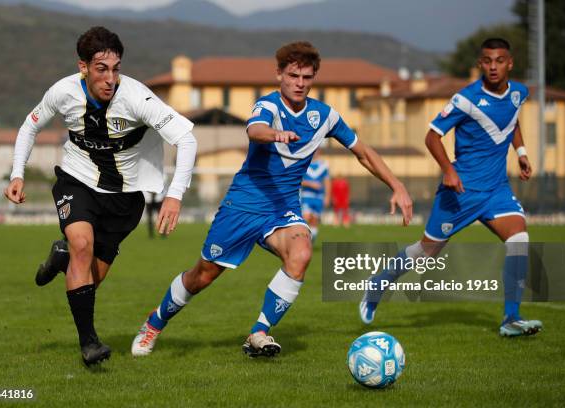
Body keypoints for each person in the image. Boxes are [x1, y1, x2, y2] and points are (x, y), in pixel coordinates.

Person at [131, 41, 413, 358]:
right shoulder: (268, 107)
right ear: (279, 73)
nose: (300, 83)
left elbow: (363, 152)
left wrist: (397, 185)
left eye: (306, 77)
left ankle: (259, 333)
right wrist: (275, 134)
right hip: (243, 206)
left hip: (282, 210)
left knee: (302, 252)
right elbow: (254, 130)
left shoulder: (325, 116)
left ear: (314, 77)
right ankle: (154, 324)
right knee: (203, 276)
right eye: (293, 75)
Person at [4, 26, 197, 365]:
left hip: (126, 197)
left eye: (116, 68)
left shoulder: (138, 97)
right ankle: (89, 343)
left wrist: (174, 195)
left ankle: (60, 259)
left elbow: (186, 139)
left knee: (93, 277)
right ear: (83, 67)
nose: (110, 78)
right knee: (82, 244)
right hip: (77, 180)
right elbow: (30, 125)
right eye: (101, 69)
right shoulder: (63, 92)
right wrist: (17, 172)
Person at [359, 38, 542, 337]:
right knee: (425, 252)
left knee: (519, 237)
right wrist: (448, 170)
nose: (493, 66)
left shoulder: (519, 93)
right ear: (479, 64)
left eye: (499, 60)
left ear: (510, 63)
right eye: (487, 60)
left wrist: (521, 154)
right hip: (460, 192)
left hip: (496, 190)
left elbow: (512, 122)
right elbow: (432, 137)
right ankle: (378, 284)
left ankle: (511, 318)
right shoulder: (465, 99)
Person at [300, 148, 330, 242]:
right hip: (306, 196)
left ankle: (310, 242)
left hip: (319, 197)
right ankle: (302, 240)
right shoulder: (303, 165)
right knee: (306, 217)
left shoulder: (323, 165)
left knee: (314, 220)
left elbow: (327, 182)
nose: (315, 153)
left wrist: (327, 197)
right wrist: (310, 184)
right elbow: (298, 181)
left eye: (317, 151)